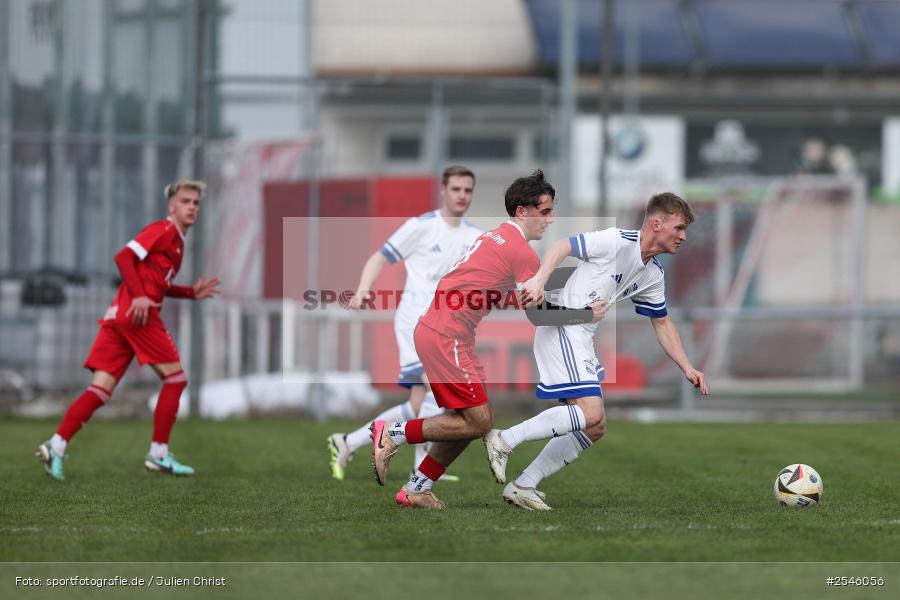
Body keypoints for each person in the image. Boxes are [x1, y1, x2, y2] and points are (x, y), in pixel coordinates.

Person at [484, 192, 709, 510]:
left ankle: (523, 485)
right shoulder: (616, 241)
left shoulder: (652, 274)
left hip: (582, 336)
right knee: (591, 412)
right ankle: (504, 439)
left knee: (595, 426)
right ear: (657, 224)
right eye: (680, 228)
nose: (684, 236)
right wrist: (538, 281)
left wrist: (687, 366)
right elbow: (563, 246)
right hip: (564, 325)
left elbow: (662, 323)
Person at [370, 169, 556, 509]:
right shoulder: (523, 253)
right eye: (544, 212)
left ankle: (416, 488)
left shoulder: (495, 235)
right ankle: (392, 434)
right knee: (480, 421)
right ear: (522, 211)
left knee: (468, 423)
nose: (550, 220)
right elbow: (540, 312)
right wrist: (588, 312)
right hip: (446, 335)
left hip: (443, 332)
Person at [36, 180, 220, 481]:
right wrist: (138, 296)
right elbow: (123, 257)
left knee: (99, 390)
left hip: (120, 316)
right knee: (176, 379)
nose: (192, 207)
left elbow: (156, 284)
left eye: (196, 203)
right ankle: (159, 454)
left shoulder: (176, 242)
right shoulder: (163, 231)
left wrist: (189, 293)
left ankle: (55, 445)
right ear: (171, 206)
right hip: (137, 316)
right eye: (186, 201)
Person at [327, 166, 482, 481]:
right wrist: (362, 291)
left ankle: (347, 441)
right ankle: (421, 468)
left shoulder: (475, 236)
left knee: (416, 405)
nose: (462, 196)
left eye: (467, 190)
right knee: (434, 392)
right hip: (414, 323)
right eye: (456, 189)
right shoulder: (422, 226)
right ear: (443, 190)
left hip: (445, 328)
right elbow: (380, 257)